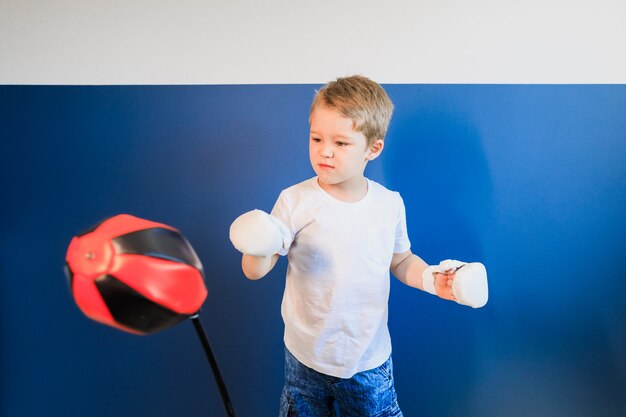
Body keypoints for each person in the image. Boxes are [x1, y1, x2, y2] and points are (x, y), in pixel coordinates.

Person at [229, 75, 488, 417]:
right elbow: (255, 270)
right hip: (305, 359)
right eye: (316, 138)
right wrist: (256, 245)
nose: (325, 151)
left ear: (373, 148)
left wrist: (432, 280)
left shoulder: (389, 204)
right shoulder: (294, 201)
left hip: (366, 362)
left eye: (341, 143)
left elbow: (400, 260)